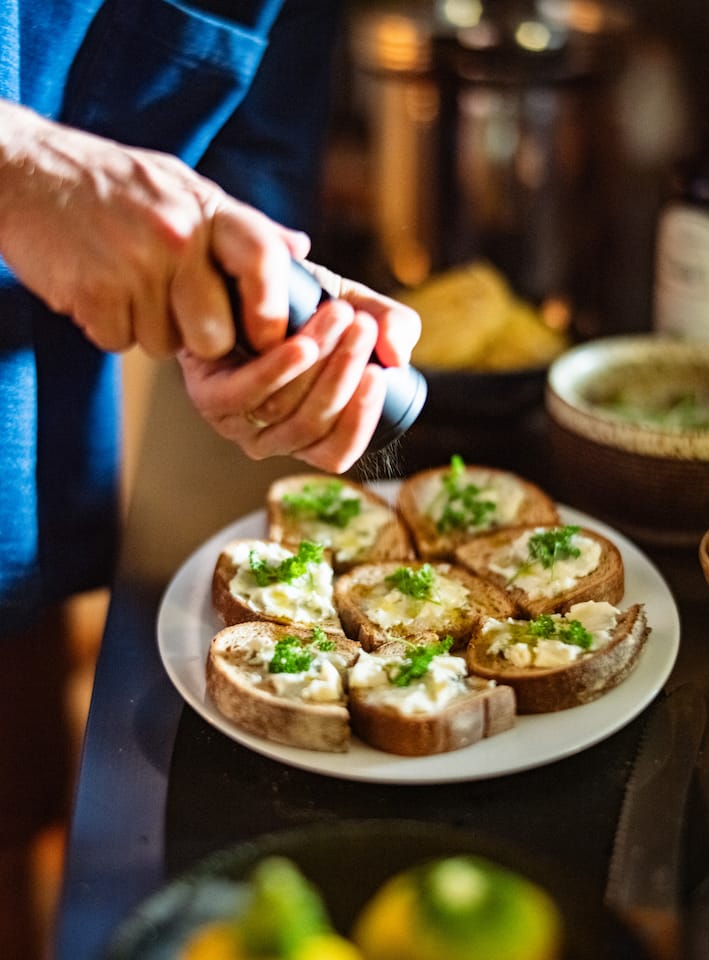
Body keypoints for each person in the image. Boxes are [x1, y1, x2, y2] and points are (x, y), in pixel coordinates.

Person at [0, 2, 419, 954]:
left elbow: (252, 140)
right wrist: (20, 164)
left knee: (17, 796)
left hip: (21, 408)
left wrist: (248, 318)